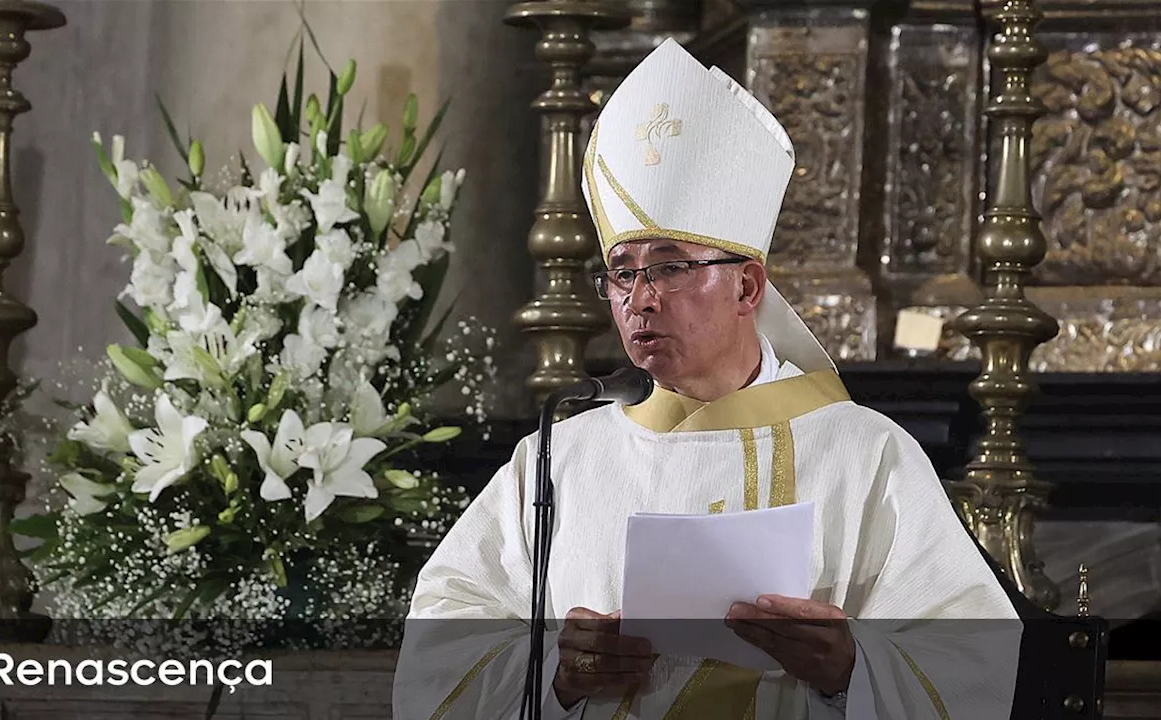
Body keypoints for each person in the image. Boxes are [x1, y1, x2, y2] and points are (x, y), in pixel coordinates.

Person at [392, 38, 1020, 719]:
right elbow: (438, 653)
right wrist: (561, 673)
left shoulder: (864, 452)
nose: (639, 297)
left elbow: (973, 665)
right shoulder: (558, 458)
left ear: (747, 286)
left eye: (668, 266)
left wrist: (849, 667)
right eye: (621, 271)